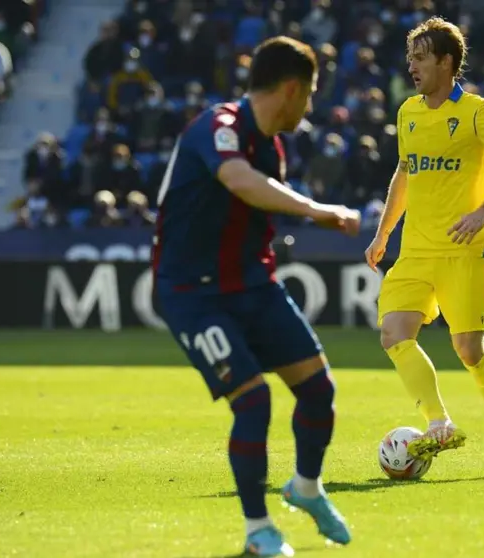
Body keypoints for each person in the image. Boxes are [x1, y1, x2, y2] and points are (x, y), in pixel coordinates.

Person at [152, 36, 360, 557]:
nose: (309, 106)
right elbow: (239, 181)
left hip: (252, 285)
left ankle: (306, 489)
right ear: (291, 89)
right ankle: (258, 531)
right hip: (193, 296)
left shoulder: (273, 145)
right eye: (309, 94)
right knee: (254, 401)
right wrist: (320, 211)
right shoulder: (217, 127)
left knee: (318, 391)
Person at [364, 17, 484, 477]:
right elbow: (404, 173)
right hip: (416, 248)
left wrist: (483, 212)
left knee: (469, 351)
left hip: (463, 248)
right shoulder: (408, 113)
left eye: (420, 58)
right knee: (394, 334)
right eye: (409, 58)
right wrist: (383, 233)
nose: (412, 66)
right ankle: (438, 423)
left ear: (447, 62)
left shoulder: (480, 111)